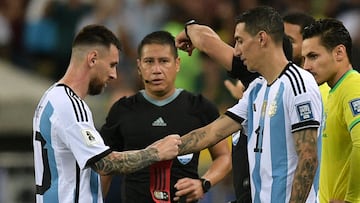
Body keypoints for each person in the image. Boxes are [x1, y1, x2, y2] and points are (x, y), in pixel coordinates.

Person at [175, 6, 322, 203]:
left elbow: (309, 157)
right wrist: (150, 152)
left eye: (291, 40)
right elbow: (212, 133)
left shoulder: (299, 85)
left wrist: (190, 29)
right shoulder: (256, 86)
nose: (237, 51)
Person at [32, 24, 181, 203]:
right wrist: (156, 152)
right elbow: (105, 164)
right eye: (112, 65)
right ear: (93, 59)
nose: (114, 75)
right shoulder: (69, 105)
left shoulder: (51, 98)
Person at [99, 30, 231, 203]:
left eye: (164, 61)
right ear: (139, 66)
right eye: (149, 62)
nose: (156, 70)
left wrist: (203, 183)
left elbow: (224, 157)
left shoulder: (200, 107)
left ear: (177, 64)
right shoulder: (122, 110)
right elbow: (104, 167)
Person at [302, 18, 360, 203]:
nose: (306, 66)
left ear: (339, 52)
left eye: (313, 56)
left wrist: (351, 199)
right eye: (304, 58)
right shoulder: (331, 91)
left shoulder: (353, 87)